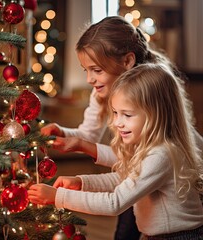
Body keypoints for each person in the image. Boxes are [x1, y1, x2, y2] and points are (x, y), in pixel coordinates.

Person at [40, 16, 203, 239]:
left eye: (96, 69)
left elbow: (117, 197)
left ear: (127, 61)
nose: (89, 79)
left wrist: (58, 196)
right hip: (154, 209)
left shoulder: (156, 114)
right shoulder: (102, 94)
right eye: (85, 70)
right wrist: (71, 148)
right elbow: (125, 168)